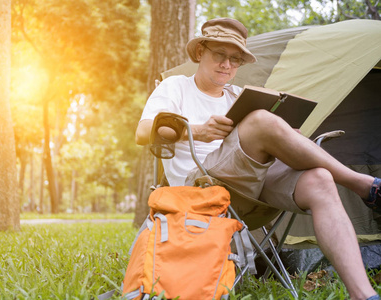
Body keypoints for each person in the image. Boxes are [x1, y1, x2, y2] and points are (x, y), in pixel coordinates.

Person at [135, 18, 380, 300]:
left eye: (235, 59)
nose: (227, 64)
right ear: (200, 52)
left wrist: (286, 135)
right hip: (200, 186)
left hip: (251, 189)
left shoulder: (239, 96)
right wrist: (199, 131)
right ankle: (363, 185)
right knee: (263, 120)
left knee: (320, 179)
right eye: (220, 55)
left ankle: (363, 294)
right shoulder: (176, 87)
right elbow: (144, 132)